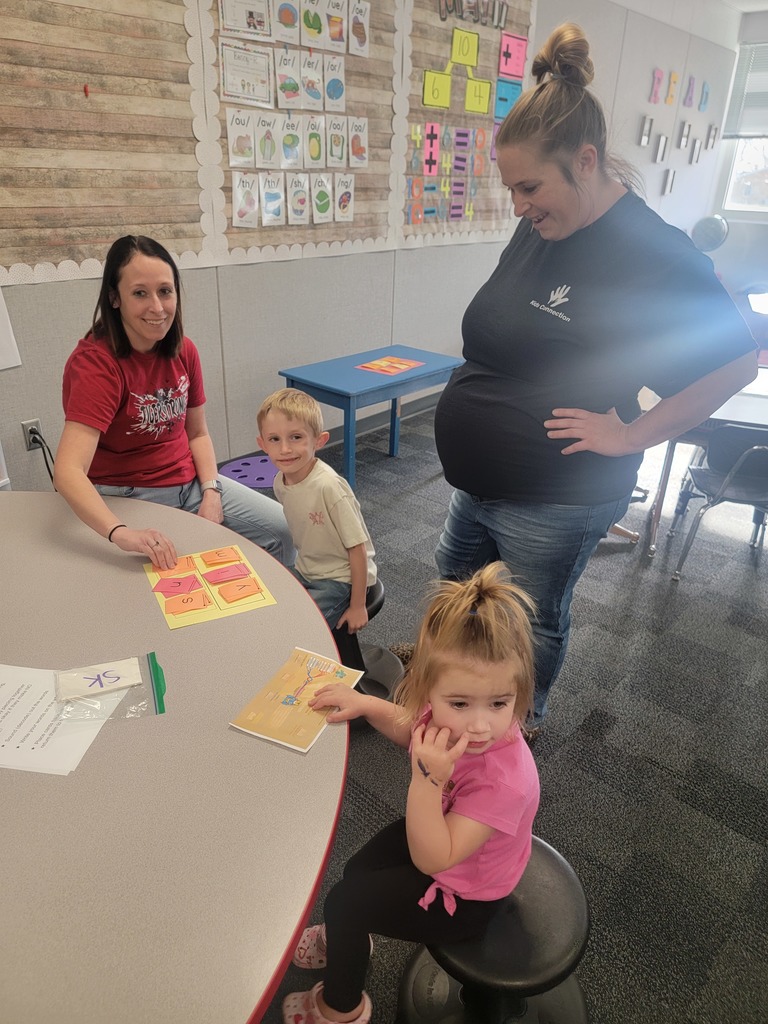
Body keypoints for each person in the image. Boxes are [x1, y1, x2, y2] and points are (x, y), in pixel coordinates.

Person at [431, 23, 758, 738]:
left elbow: (737, 359)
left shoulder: (654, 254)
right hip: (477, 485)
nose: (518, 205)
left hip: (558, 492)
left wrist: (633, 434)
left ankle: (518, 732)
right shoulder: (544, 223)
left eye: (529, 187)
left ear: (585, 161)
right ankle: (459, 701)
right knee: (454, 598)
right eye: (512, 189)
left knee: (532, 621)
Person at [282, 563, 540, 1024]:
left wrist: (428, 781)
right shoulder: (439, 712)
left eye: (500, 703)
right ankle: (349, 938)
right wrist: (366, 703)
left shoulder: (504, 783)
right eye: (459, 704)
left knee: (344, 904)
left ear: (517, 694)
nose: (480, 725)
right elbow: (412, 730)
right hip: (438, 825)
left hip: (465, 892)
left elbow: (434, 858)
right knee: (356, 870)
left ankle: (340, 1009)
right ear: (428, 690)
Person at [54, 235, 294, 571]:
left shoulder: (184, 350)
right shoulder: (96, 365)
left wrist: (211, 491)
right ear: (114, 298)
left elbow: (197, 434)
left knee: (282, 529)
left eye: (165, 291)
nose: (157, 307)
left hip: (190, 484)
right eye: (140, 293)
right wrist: (120, 533)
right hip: (129, 494)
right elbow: (68, 471)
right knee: (167, 574)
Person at [257, 388, 376, 632]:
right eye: (274, 439)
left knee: (298, 628)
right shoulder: (280, 482)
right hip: (307, 568)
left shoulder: (329, 487)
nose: (285, 449)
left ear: (319, 441)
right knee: (264, 598)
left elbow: (358, 549)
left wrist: (358, 605)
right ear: (262, 444)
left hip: (340, 578)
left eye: (296, 437)